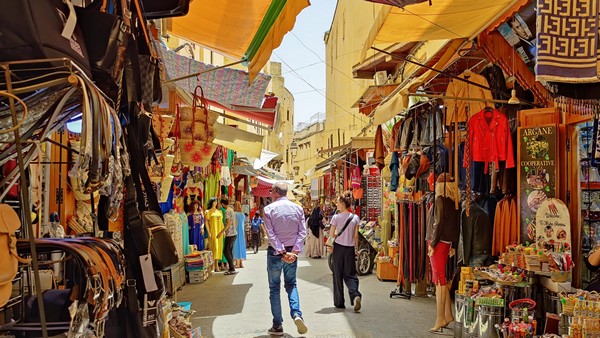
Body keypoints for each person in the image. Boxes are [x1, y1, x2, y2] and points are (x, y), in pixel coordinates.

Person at [262, 182, 308, 335]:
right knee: (291, 284)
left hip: (276, 254)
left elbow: (271, 234)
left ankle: (277, 325)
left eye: (270, 191)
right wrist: (293, 252)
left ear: (275, 192)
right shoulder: (298, 208)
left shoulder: (268, 209)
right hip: (291, 254)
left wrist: (282, 251)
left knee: (274, 289)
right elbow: (302, 232)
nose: (270, 194)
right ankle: (296, 314)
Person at [426, 174, 460, 333]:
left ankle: (440, 318)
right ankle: (447, 314)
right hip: (445, 243)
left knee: (439, 280)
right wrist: (452, 245)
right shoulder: (453, 202)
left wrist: (432, 244)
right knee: (441, 279)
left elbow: (437, 223)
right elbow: (455, 227)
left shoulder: (440, 200)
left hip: (437, 243)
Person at [328, 192, 362, 312]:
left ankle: (339, 302)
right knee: (351, 274)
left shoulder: (336, 217)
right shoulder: (355, 218)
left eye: (338, 202)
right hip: (349, 249)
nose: (336, 204)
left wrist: (330, 245)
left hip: (338, 248)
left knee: (337, 274)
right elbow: (356, 236)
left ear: (342, 203)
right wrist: (356, 249)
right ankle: (355, 294)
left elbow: (331, 234)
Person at [219, 197, 237, 275]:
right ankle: (231, 268)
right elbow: (235, 221)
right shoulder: (232, 210)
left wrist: (221, 232)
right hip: (234, 233)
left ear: (222, 204)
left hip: (230, 234)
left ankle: (232, 268)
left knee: (226, 251)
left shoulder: (226, 211)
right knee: (229, 251)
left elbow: (228, 223)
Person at [205, 197, 224, 272]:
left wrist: (223, 231)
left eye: (217, 201)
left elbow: (221, 222)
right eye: (214, 201)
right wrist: (209, 232)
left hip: (219, 232)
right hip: (213, 231)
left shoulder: (219, 211)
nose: (216, 202)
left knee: (219, 248)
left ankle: (216, 265)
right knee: (214, 248)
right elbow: (206, 222)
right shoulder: (208, 212)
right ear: (212, 202)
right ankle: (213, 266)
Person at [232, 201, 247, 268]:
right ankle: (241, 263)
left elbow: (234, 223)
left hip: (236, 231)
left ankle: (237, 263)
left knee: (236, 245)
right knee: (241, 245)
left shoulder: (234, 214)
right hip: (242, 232)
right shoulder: (242, 215)